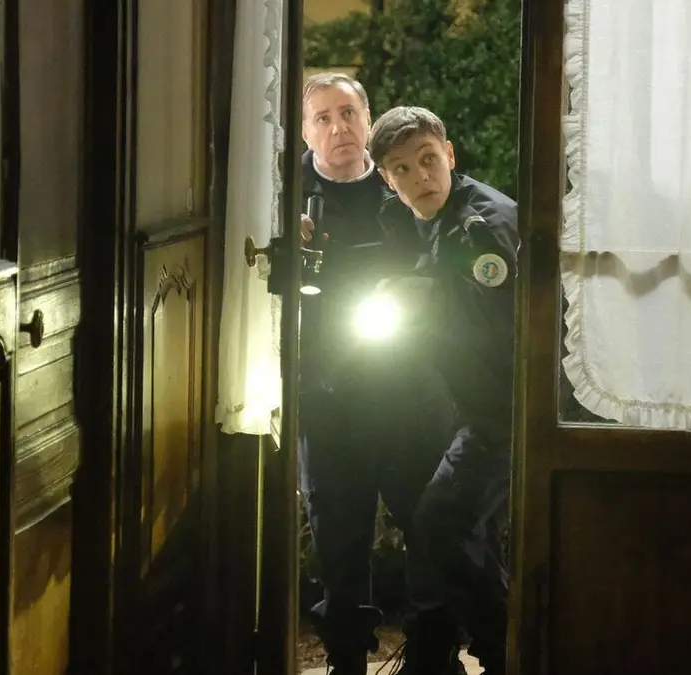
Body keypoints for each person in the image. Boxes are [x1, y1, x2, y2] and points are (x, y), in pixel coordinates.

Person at [295, 73, 465, 675]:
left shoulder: (401, 183)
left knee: (428, 525)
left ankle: (432, 657)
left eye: (348, 113)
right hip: (327, 395)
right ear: (305, 131)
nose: (338, 127)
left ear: (367, 120)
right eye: (322, 117)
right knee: (339, 540)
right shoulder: (284, 196)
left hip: (408, 391)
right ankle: (345, 660)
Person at [368, 106, 518, 675]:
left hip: (508, 408)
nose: (421, 176)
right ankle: (475, 654)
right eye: (403, 169)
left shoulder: (484, 223)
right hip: (470, 403)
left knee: (439, 521)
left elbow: (502, 313)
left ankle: (505, 650)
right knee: (470, 533)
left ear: (449, 155)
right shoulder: (411, 215)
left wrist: (415, 292)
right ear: (388, 179)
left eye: (429, 159)